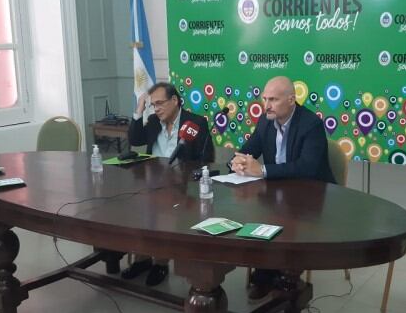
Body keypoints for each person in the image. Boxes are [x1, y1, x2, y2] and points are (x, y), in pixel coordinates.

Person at [231, 76, 334, 299]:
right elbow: (249, 148)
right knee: (255, 215)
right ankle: (266, 274)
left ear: (291, 100)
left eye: (273, 100)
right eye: (264, 98)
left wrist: (263, 170)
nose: (266, 105)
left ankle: (284, 277)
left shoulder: (311, 124)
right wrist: (237, 160)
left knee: (283, 221)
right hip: (275, 192)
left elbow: (307, 167)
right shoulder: (265, 119)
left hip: (309, 195)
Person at [121, 82, 213, 286]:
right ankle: (142, 259)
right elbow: (135, 139)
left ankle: (160, 263)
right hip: (152, 180)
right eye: (153, 105)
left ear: (174, 100)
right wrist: (139, 109)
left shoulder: (195, 122)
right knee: (140, 212)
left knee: (166, 215)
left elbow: (207, 157)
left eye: (160, 103)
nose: (156, 108)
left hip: (181, 185)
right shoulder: (154, 121)